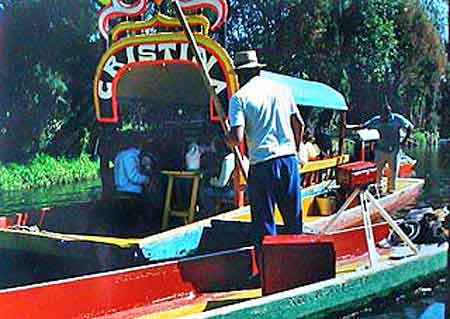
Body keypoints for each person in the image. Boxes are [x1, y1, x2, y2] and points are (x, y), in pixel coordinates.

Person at [225, 50, 305, 262]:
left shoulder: (239, 98)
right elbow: (299, 125)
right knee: (293, 220)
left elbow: (237, 138)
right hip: (288, 160)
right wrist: (295, 152)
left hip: (262, 166)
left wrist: (227, 136)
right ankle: (297, 265)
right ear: (258, 69)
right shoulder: (282, 90)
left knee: (264, 224)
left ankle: (268, 270)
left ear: (240, 75)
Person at [347, 101, 414, 193]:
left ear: (389, 113)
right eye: (382, 115)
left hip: (394, 149)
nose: (383, 118)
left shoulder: (398, 119)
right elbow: (363, 126)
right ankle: (379, 188)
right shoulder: (377, 120)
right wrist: (348, 127)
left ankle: (391, 190)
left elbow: (410, 127)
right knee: (378, 170)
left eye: (385, 115)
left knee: (393, 170)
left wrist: (405, 140)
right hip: (380, 148)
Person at [198, 140, 249, 217]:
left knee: (205, 190)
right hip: (244, 191)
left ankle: (209, 213)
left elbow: (221, 183)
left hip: (231, 192)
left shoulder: (228, 159)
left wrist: (212, 181)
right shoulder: (244, 158)